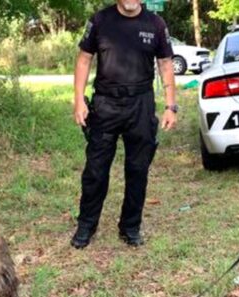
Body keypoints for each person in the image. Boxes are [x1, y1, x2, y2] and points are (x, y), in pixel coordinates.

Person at [70, 0, 177, 249]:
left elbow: (166, 64)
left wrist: (171, 106)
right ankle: (86, 225)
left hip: (141, 105)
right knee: (96, 170)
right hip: (105, 104)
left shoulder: (156, 24)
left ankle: (130, 227)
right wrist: (78, 101)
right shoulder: (100, 20)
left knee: (138, 169)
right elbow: (84, 59)